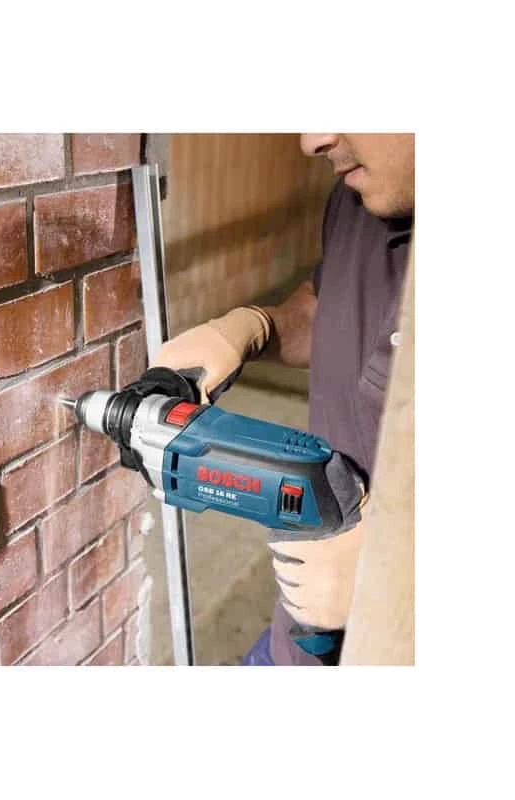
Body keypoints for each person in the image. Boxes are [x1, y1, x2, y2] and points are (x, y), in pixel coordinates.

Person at [152, 134, 414, 665]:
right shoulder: (359, 197)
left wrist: (401, 584)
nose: (311, 139)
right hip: (292, 645)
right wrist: (257, 326)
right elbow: (327, 304)